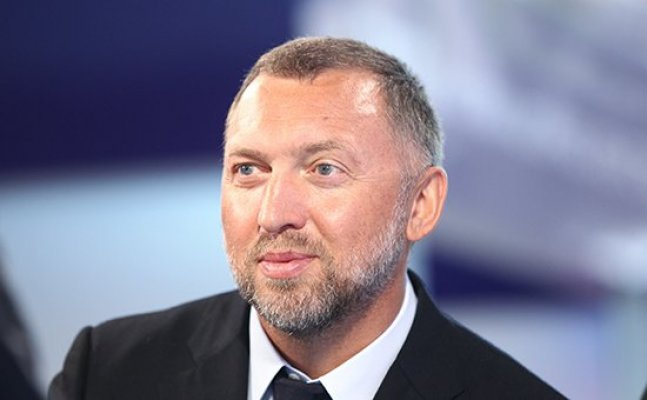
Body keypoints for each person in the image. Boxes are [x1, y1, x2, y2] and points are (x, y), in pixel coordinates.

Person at [49, 37, 564, 399]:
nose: (274, 214)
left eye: (324, 169)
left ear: (420, 204)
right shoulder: (107, 373)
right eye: (249, 170)